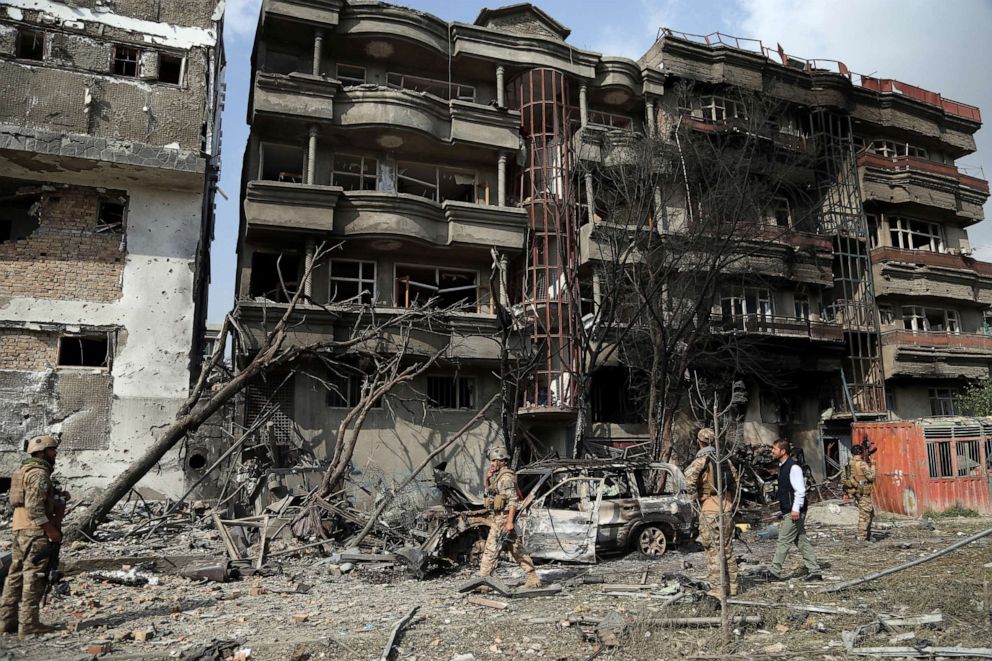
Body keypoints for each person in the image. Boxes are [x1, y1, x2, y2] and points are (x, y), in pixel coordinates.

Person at [1, 435, 66, 638]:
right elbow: (35, 508)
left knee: (15, 576)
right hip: (35, 531)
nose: (55, 453)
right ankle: (29, 625)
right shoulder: (39, 473)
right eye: (52, 450)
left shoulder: (23, 471)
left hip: (20, 529)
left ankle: (6, 622)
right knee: (34, 576)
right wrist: (51, 530)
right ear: (41, 453)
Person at [683, 427, 739, 598]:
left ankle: (718, 589)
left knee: (713, 550)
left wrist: (695, 500)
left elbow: (688, 480)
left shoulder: (702, 460)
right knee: (727, 549)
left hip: (710, 510)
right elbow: (736, 481)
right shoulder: (725, 461)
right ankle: (733, 587)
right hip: (726, 508)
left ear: (699, 442)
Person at [478, 446, 541, 589]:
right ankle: (533, 578)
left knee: (490, 550)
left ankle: (484, 582)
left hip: (504, 519)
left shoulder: (506, 478)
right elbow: (490, 494)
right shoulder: (498, 476)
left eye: (495, 461)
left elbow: (513, 501)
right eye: (492, 461)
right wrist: (487, 479)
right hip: (500, 518)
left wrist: (510, 522)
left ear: (502, 461)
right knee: (516, 549)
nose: (493, 463)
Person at [768, 438, 821, 580]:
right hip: (790, 510)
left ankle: (774, 571)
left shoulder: (794, 467)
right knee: (801, 541)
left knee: (783, 540)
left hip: (795, 512)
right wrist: (784, 509)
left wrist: (795, 509)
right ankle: (815, 571)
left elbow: (800, 491)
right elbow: (787, 491)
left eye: (774, 449)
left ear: (783, 451)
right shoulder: (783, 467)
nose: (772, 451)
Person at [843, 444, 876, 542]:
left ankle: (868, 536)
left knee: (870, 512)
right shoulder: (862, 464)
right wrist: (873, 465)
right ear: (861, 453)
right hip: (863, 492)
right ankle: (861, 538)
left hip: (855, 491)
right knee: (864, 515)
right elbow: (871, 477)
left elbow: (844, 479)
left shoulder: (848, 464)